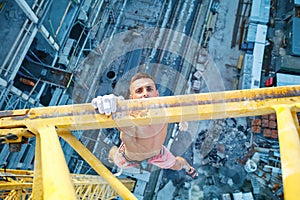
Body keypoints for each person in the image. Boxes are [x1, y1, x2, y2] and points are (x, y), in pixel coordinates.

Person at [92, 72, 198, 179]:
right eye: (139, 91)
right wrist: (111, 101)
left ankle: (189, 168)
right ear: (132, 98)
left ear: (157, 94)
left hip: (158, 154)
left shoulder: (165, 107)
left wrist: (182, 119)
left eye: (149, 89)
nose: (145, 94)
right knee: (114, 158)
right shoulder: (128, 112)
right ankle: (108, 151)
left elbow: (181, 105)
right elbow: (118, 104)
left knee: (178, 165)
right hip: (129, 158)